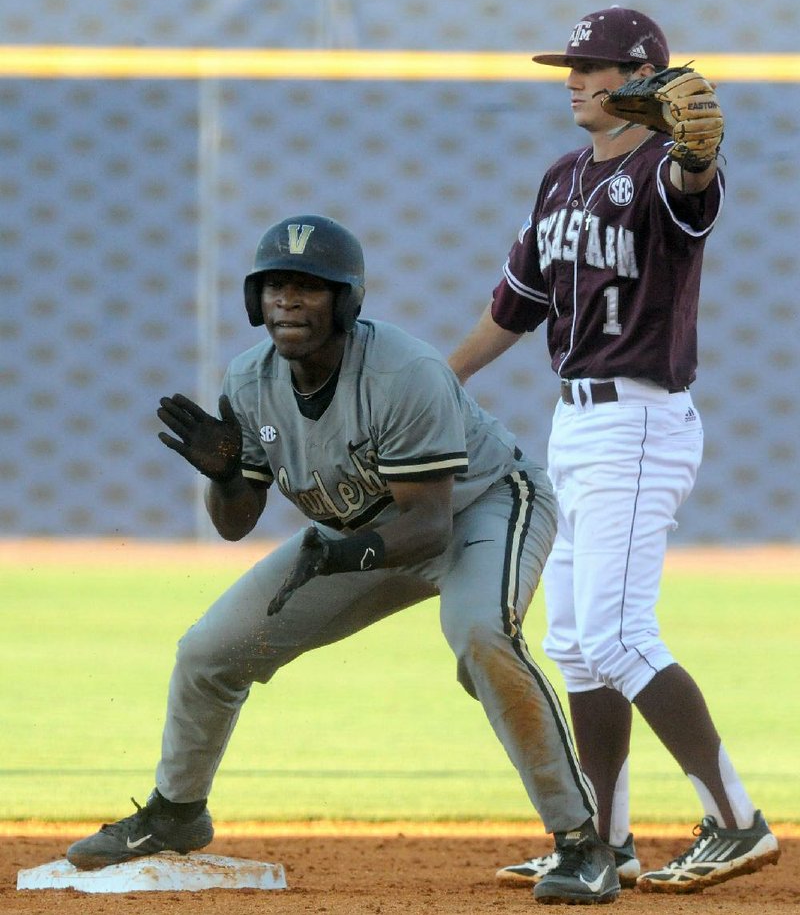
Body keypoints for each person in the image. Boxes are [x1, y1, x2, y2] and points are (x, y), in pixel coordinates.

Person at [66, 214, 621, 904]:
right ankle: (177, 812)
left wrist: (338, 555)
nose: (288, 301)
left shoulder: (403, 372)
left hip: (483, 507)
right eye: (274, 287)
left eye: (308, 287)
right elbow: (237, 525)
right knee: (208, 652)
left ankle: (582, 843)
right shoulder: (249, 381)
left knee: (482, 635)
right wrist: (226, 475)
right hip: (358, 536)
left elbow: (425, 525)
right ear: (254, 301)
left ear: (347, 301)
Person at [448, 6, 780, 896]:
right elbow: (515, 305)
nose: (572, 79)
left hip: (639, 419)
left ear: (639, 80)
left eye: (590, 67)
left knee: (619, 632)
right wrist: (442, 383)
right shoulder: (560, 180)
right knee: (577, 645)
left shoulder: (662, 169)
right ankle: (602, 841)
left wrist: (699, 154)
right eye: (570, 65)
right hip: (577, 423)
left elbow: (694, 181)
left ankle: (736, 820)